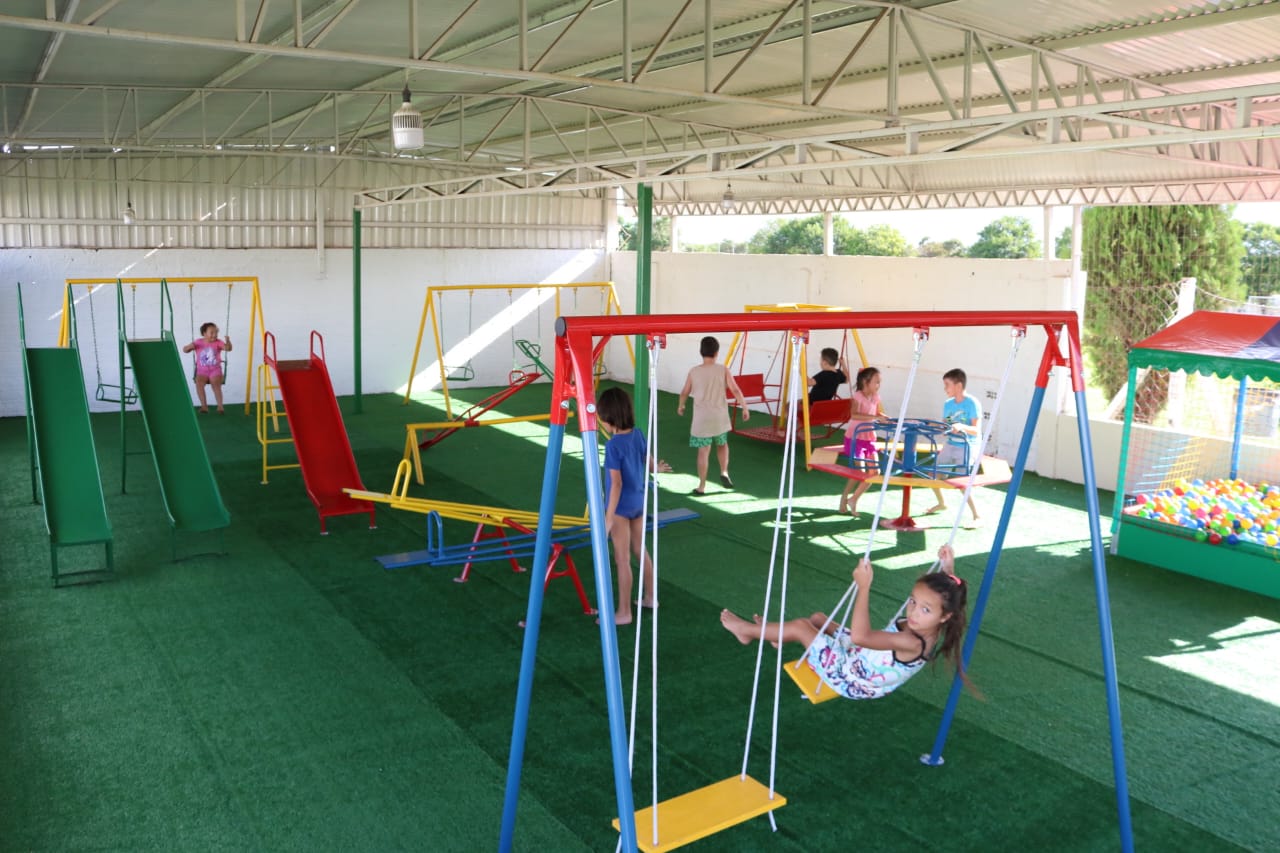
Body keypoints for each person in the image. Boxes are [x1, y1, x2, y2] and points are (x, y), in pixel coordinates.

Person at [719, 545, 968, 700]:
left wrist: (864, 587)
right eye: (913, 601)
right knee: (818, 619)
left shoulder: (912, 641)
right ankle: (776, 637)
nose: (913, 612)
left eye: (925, 609)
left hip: (851, 679)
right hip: (863, 657)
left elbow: (861, 637)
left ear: (945, 616)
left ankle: (746, 631)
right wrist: (948, 569)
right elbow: (946, 595)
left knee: (802, 627)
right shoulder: (937, 619)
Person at [597, 387, 671, 626]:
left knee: (622, 560)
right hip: (638, 503)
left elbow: (616, 484)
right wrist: (657, 468)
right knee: (640, 550)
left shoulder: (613, 446)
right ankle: (650, 597)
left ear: (610, 418)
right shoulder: (637, 434)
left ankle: (624, 612)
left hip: (620, 508)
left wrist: (608, 517)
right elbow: (648, 461)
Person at [677, 336, 748, 496]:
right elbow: (735, 390)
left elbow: (684, 392)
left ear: (701, 352)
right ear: (716, 353)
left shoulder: (694, 371)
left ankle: (702, 486)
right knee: (722, 444)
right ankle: (724, 471)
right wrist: (744, 407)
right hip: (720, 417)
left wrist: (681, 405)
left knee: (703, 452)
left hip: (702, 419)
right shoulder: (723, 370)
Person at [927, 368, 981, 524]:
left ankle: (977, 515)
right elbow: (947, 425)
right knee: (933, 475)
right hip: (951, 443)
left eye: (947, 385)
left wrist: (961, 426)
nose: (945, 388)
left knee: (962, 482)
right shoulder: (948, 404)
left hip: (967, 446)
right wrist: (936, 426)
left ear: (958, 386)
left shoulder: (972, 403)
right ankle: (942, 503)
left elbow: (976, 430)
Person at [838, 366, 887, 515]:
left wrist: (884, 417)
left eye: (879, 382)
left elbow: (876, 412)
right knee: (859, 472)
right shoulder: (858, 396)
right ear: (866, 382)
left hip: (869, 437)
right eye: (876, 382)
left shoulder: (875, 396)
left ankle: (853, 499)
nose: (878, 385)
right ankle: (844, 497)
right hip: (855, 438)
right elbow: (854, 415)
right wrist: (875, 417)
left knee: (875, 472)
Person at [182, 322, 232, 413]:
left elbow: (228, 348)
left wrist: (228, 341)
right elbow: (185, 350)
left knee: (215, 385)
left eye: (216, 332)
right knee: (199, 384)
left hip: (215, 370)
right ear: (204, 333)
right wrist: (189, 347)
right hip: (202, 371)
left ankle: (220, 406)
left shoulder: (218, 342)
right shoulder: (198, 342)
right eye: (212, 332)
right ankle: (204, 406)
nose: (215, 335)